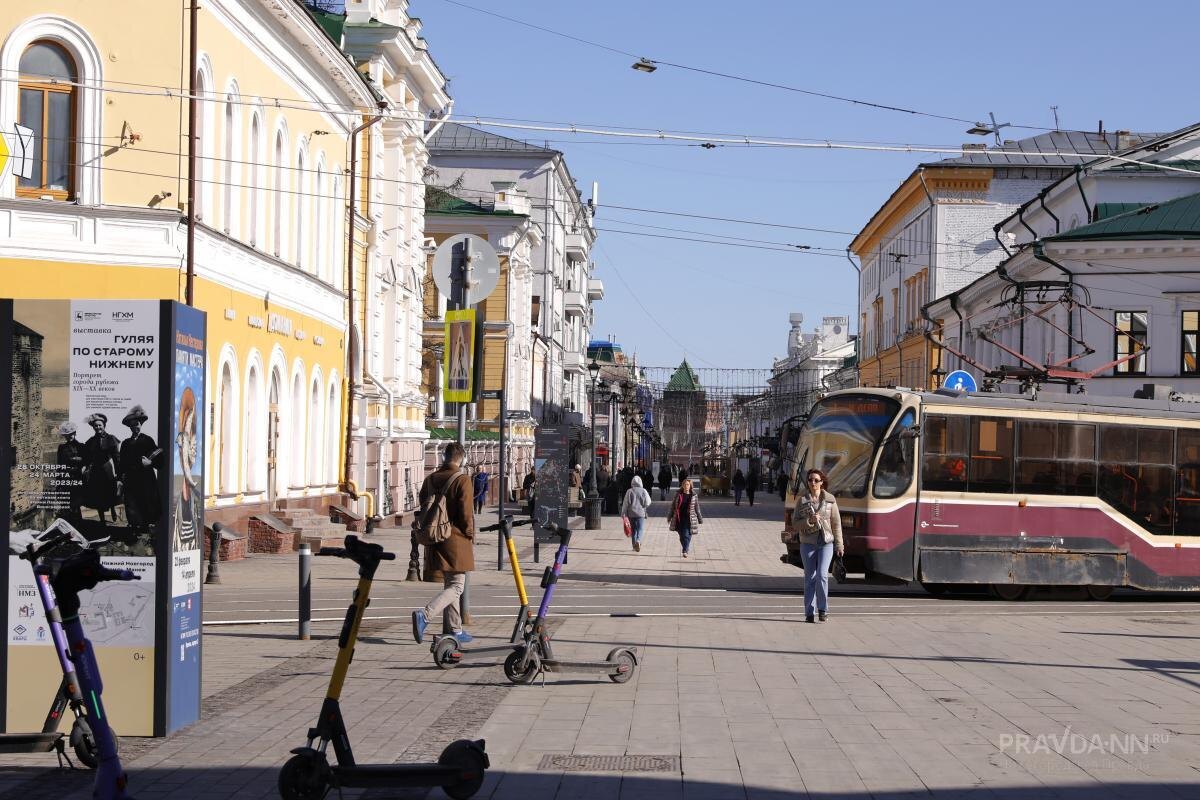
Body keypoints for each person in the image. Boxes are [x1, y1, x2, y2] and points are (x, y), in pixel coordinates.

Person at [412, 443, 475, 645]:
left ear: (443, 457)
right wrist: (470, 533)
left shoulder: (430, 479)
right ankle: (425, 615)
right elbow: (466, 513)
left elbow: (422, 505)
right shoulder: (462, 480)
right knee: (457, 586)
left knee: (451, 584)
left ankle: (455, 629)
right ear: (462, 459)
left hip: (434, 538)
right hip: (455, 539)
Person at [795, 468, 843, 623]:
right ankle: (809, 612)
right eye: (810, 480)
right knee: (810, 577)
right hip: (807, 543)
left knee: (822, 575)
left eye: (816, 480)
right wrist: (810, 521)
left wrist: (839, 545)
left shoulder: (830, 500)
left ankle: (823, 609)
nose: (813, 483)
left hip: (826, 542)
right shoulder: (802, 500)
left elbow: (836, 524)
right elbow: (795, 524)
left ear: (822, 482)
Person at [119, 405, 162, 533]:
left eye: (136, 424)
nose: (134, 427)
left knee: (146, 501)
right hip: (131, 478)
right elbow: (121, 463)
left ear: (141, 424)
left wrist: (150, 462)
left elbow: (160, 459)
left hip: (145, 478)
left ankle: (147, 528)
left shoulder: (148, 440)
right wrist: (120, 478)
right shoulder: (125, 443)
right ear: (129, 427)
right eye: (132, 425)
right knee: (132, 503)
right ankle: (134, 527)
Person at [173, 388, 201, 552]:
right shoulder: (184, 436)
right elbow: (187, 456)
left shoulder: (188, 432)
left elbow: (190, 455)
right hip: (187, 482)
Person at [81, 413, 120, 524]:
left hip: (107, 469)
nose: (98, 427)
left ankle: (112, 508)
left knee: (110, 491)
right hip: (95, 471)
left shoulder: (111, 439)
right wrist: (85, 466)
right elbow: (87, 457)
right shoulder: (91, 441)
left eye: (100, 425)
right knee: (97, 494)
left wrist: (119, 474)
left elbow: (117, 458)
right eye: (96, 426)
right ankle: (102, 519)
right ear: (93, 427)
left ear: (104, 425)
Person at [55, 421, 85, 521]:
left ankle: (78, 528)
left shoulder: (81, 447)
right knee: (66, 506)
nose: (69, 436)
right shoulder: (61, 448)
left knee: (76, 506)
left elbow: (86, 462)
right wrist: (58, 483)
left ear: (75, 433)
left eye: (71, 434)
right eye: (67, 435)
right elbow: (59, 466)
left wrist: (80, 462)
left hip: (77, 479)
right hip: (65, 480)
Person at [670, 477, 703, 558]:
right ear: (682, 485)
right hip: (679, 518)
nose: (686, 486)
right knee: (681, 535)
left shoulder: (693, 496)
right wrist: (669, 516)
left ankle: (685, 550)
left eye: (688, 484)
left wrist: (700, 518)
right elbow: (673, 506)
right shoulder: (678, 494)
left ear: (690, 486)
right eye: (685, 484)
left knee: (686, 534)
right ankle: (686, 547)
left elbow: (697, 507)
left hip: (689, 518)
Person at [621, 475, 652, 552]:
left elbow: (625, 503)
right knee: (640, 529)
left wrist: (623, 513)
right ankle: (638, 541)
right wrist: (644, 506)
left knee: (633, 530)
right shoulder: (643, 491)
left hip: (631, 513)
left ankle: (634, 545)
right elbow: (648, 502)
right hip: (641, 513)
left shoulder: (629, 491)